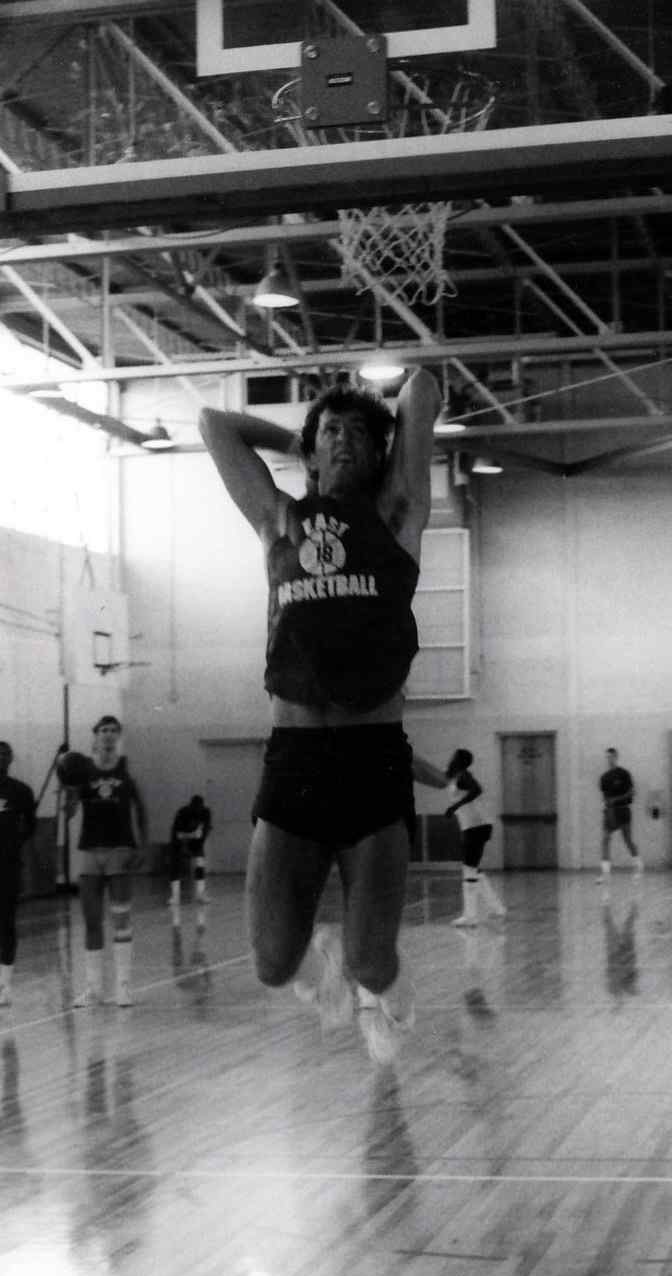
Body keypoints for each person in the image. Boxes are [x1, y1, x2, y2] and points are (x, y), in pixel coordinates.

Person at [199, 366, 441, 1064]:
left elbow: (421, 387)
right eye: (332, 431)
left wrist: (392, 437)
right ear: (313, 451)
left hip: (372, 757)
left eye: (358, 432)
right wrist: (298, 440)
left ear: (378, 452)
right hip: (296, 760)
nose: (344, 440)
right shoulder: (280, 519)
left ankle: (386, 995)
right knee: (272, 963)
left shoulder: (396, 514)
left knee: (373, 958)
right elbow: (214, 426)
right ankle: (327, 974)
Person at [64, 716, 147, 1008]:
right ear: (95, 735)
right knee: (91, 921)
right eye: (103, 730)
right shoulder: (83, 770)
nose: (108, 734)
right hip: (90, 851)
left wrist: (142, 845)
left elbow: (141, 809)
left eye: (113, 730)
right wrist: (69, 791)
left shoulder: (125, 770)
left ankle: (123, 987)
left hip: (119, 850)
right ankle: (94, 990)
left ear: (118, 736)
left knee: (121, 920)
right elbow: (70, 812)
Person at [443, 748, 505, 926]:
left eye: (454, 757)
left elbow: (477, 789)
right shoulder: (456, 776)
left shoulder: (464, 776)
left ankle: (470, 916)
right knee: (473, 868)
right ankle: (496, 908)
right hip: (473, 825)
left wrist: (455, 807)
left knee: (469, 868)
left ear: (459, 761)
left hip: (477, 825)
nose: (451, 759)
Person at [0, 742, 37, 1006]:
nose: (0, 758)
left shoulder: (21, 791)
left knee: (6, 924)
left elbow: (31, 825)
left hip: (8, 867)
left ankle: (5, 986)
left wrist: (13, 844)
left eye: (4, 754)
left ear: (11, 758)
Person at [598, 748, 643, 878]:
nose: (609, 759)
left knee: (627, 839)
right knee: (605, 838)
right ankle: (605, 872)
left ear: (616, 757)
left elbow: (631, 792)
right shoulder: (604, 777)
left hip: (623, 810)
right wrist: (608, 806)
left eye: (611, 757)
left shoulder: (624, 774)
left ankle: (638, 866)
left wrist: (616, 800)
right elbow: (605, 796)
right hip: (610, 811)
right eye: (607, 757)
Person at [169, 794, 213, 913]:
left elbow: (205, 831)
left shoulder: (206, 813)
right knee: (175, 865)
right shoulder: (182, 813)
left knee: (200, 863)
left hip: (196, 841)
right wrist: (191, 835)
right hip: (178, 841)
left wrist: (199, 840)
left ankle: (200, 894)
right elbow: (178, 834)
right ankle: (175, 896)